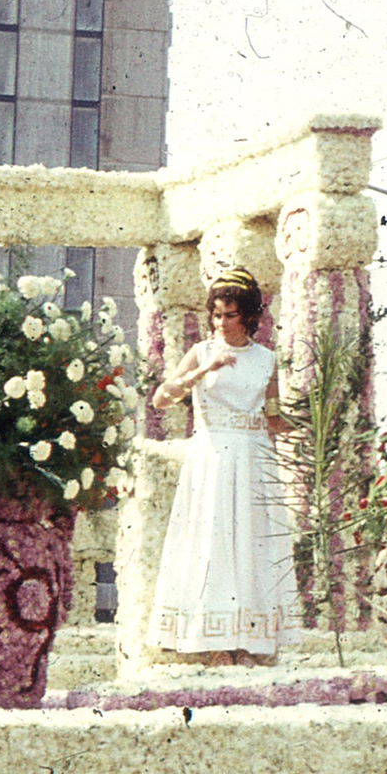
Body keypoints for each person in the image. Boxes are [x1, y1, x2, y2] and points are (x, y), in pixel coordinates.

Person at [146, 268, 299, 667]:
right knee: (213, 545)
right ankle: (214, 641)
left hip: (253, 457)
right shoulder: (201, 352)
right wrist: (201, 372)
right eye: (216, 314)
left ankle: (247, 638)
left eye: (230, 314)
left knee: (250, 545)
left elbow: (273, 415)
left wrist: (316, 425)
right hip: (212, 456)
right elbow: (161, 399)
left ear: (248, 315)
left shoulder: (266, 359)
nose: (222, 322)